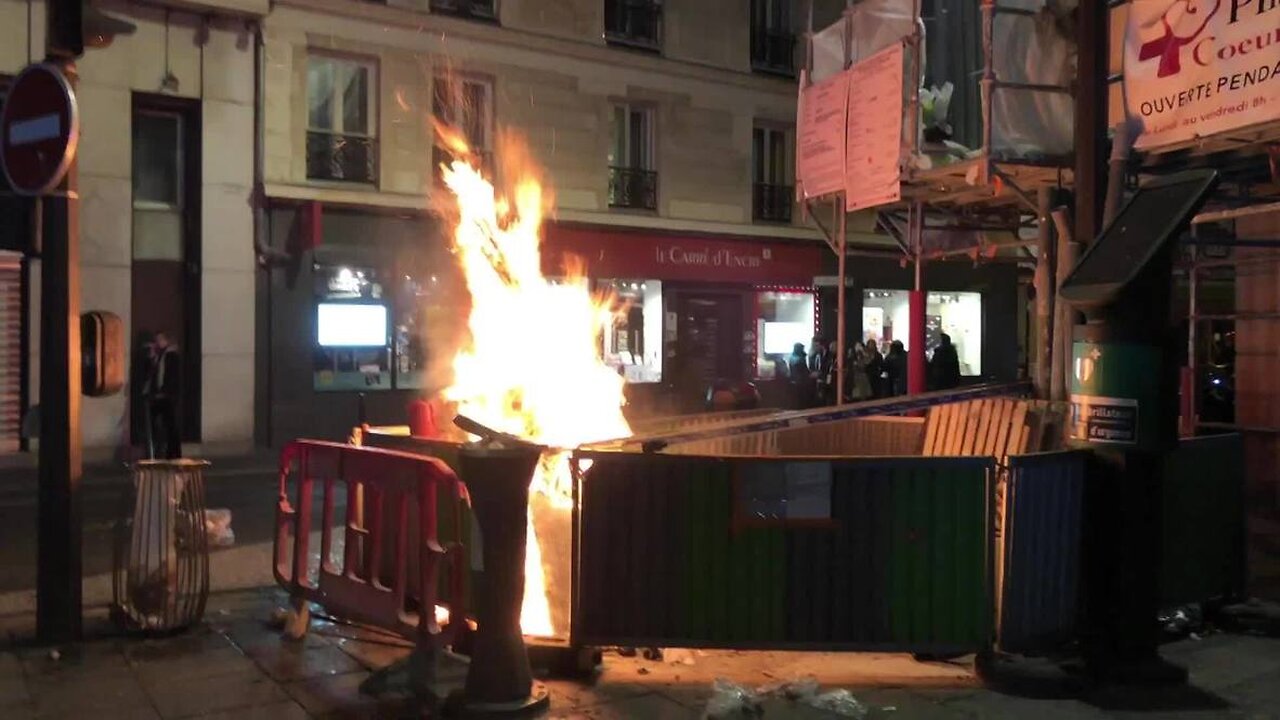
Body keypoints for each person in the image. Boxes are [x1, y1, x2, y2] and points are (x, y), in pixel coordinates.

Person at [144, 331, 182, 459]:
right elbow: (155, 373)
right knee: (160, 423)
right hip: (160, 395)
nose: (157, 343)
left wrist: (165, 391)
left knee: (171, 425)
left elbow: (171, 376)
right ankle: (160, 451)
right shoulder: (160, 356)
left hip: (168, 396)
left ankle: (173, 453)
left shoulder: (171, 355)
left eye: (159, 340)